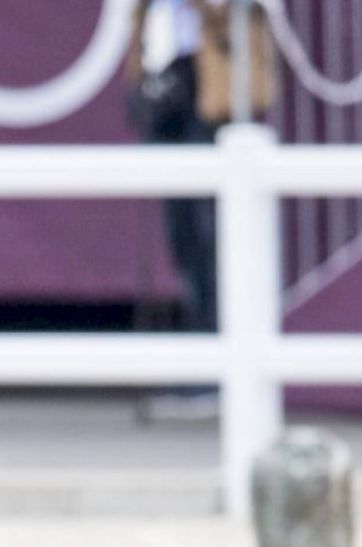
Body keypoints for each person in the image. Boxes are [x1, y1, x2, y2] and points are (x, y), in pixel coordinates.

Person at [127, 0, 277, 417]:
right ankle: (201, 360)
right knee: (185, 236)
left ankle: (225, 362)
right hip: (166, 78)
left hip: (216, 79)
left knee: (217, 233)